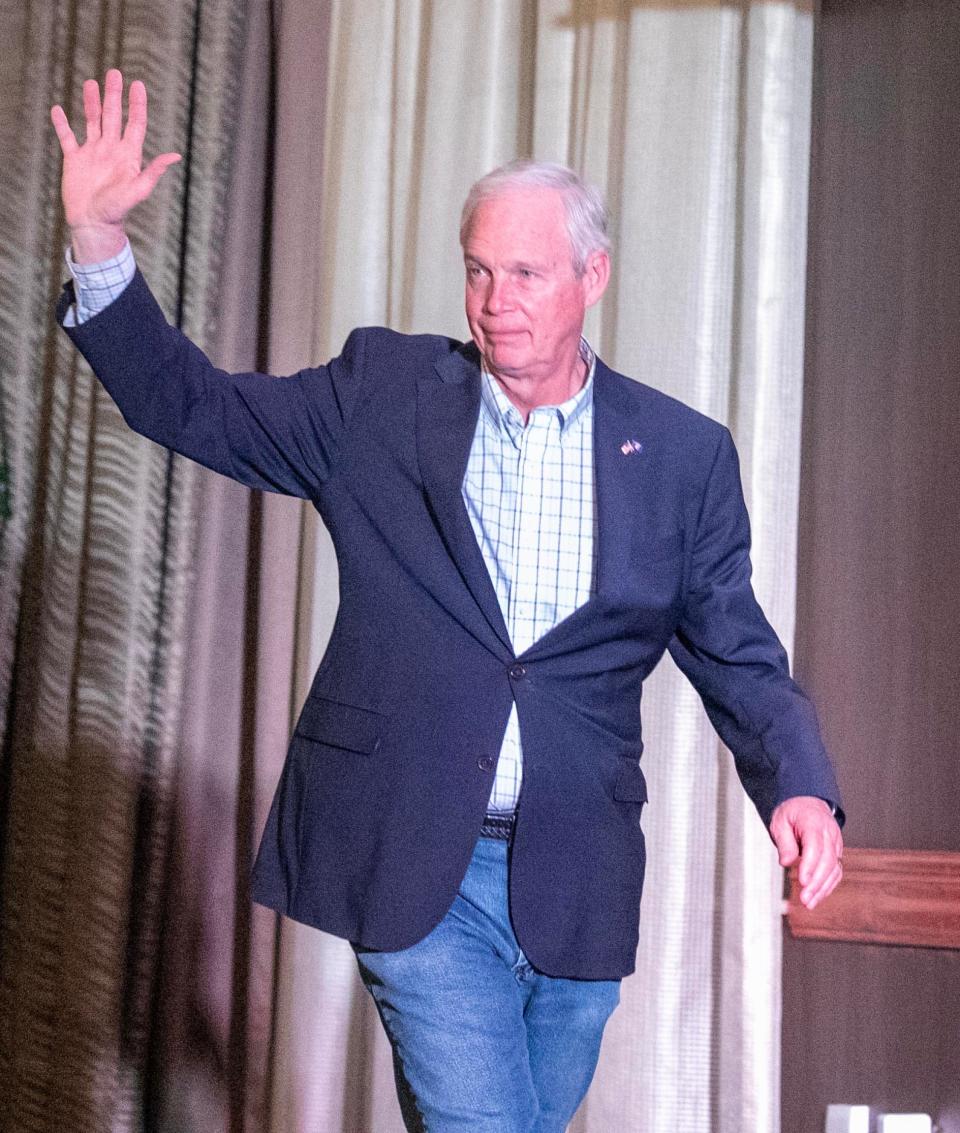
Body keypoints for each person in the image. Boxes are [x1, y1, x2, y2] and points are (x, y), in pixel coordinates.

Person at [52, 70, 844, 1133]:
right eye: (478, 270)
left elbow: (739, 653)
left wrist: (797, 786)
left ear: (593, 276)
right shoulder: (381, 395)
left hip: (575, 882)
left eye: (525, 271)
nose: (495, 298)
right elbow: (194, 406)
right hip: (416, 859)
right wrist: (100, 243)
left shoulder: (682, 458)